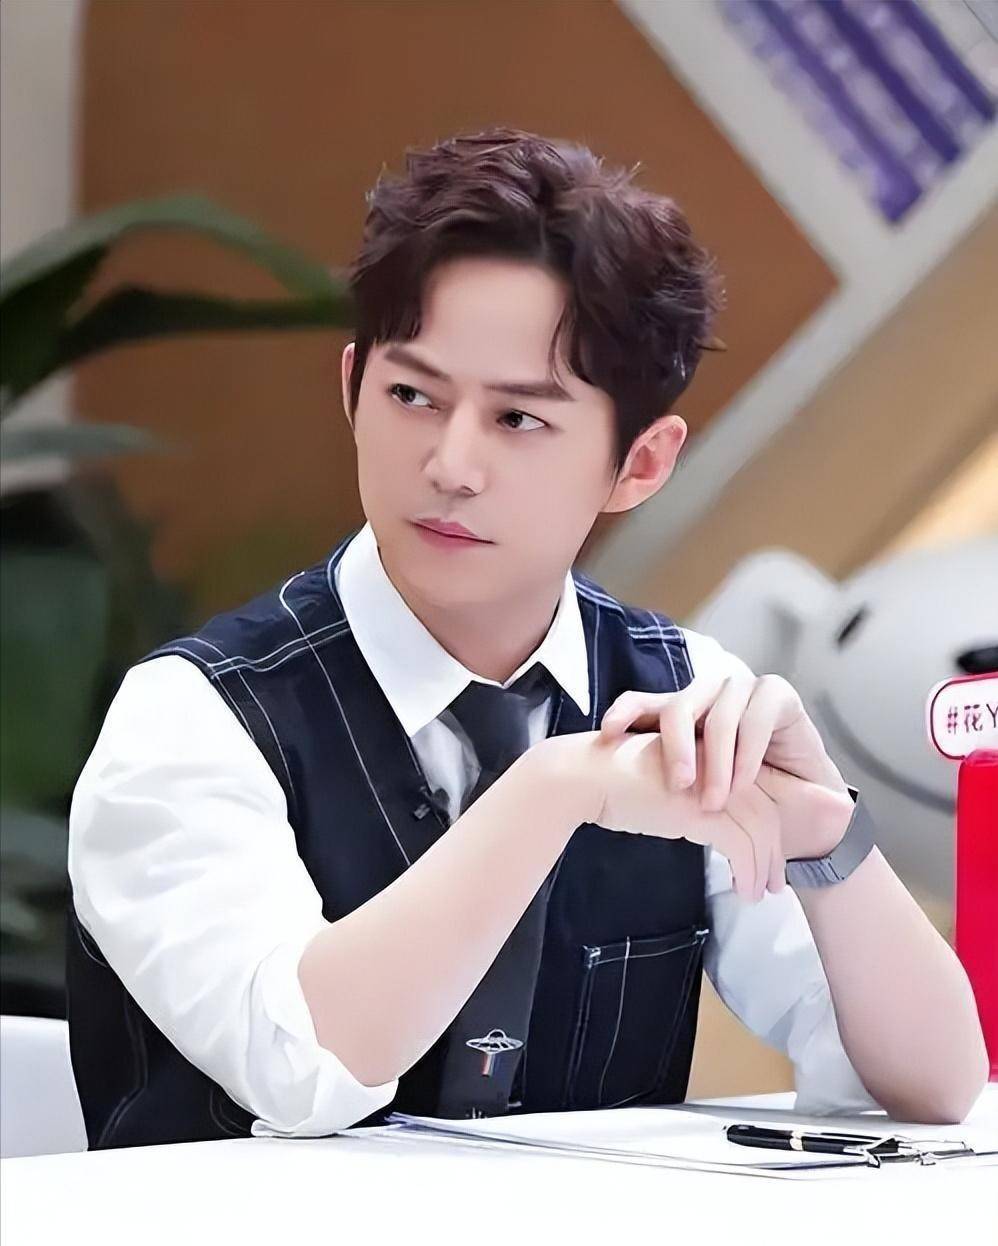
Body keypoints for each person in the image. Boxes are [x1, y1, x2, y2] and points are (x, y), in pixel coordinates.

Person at [66, 127, 988, 1150]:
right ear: (352, 389)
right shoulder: (196, 718)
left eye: (518, 420)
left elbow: (934, 1087)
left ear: (639, 463)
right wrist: (551, 791)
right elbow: (301, 1068)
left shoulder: (685, 692)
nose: (450, 466)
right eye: (412, 395)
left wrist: (824, 835)